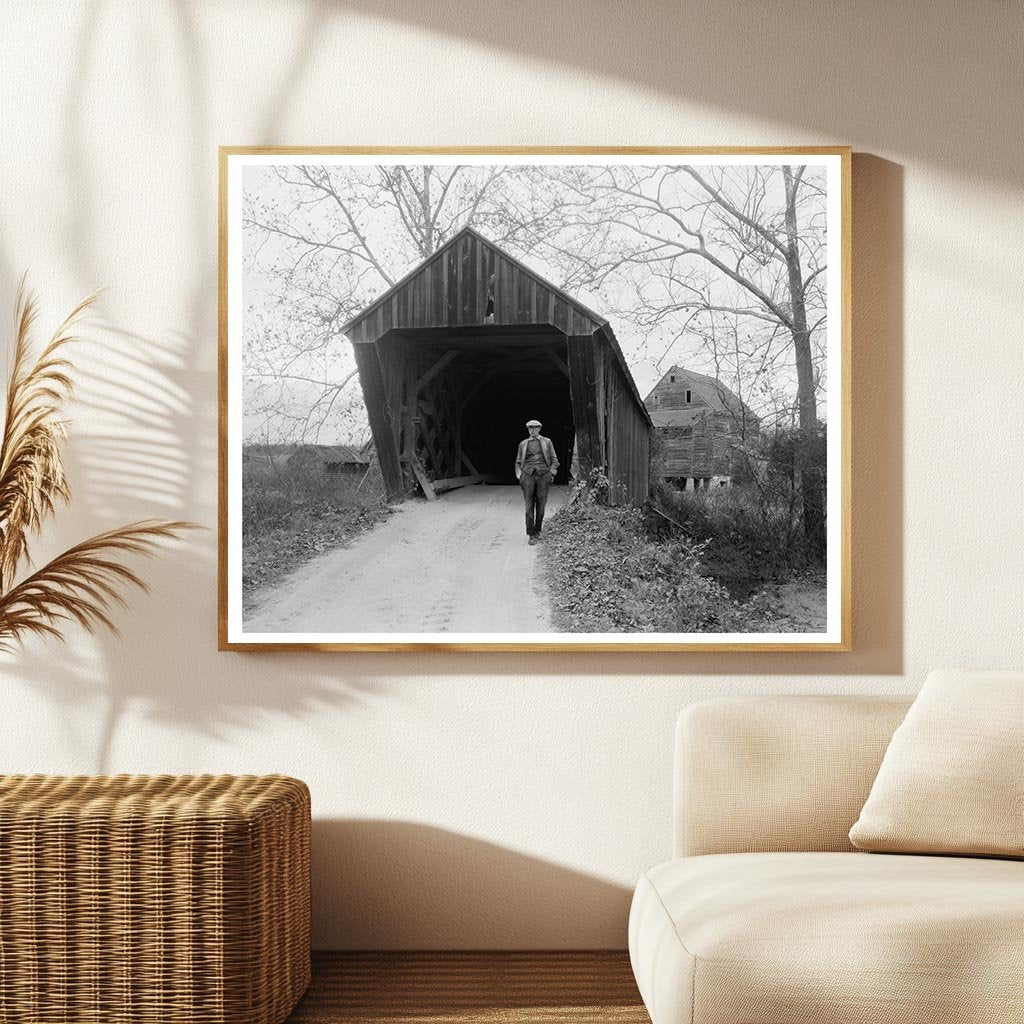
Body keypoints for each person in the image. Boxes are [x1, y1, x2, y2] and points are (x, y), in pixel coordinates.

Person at [514, 419, 559, 545]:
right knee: (529, 506)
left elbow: (554, 460)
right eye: (530, 428)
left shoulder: (547, 442)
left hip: (543, 475)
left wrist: (551, 473)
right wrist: (519, 475)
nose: (532, 430)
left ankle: (538, 531)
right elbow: (517, 462)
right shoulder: (523, 444)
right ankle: (531, 534)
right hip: (527, 476)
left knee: (541, 505)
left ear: (539, 429)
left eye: (534, 428)